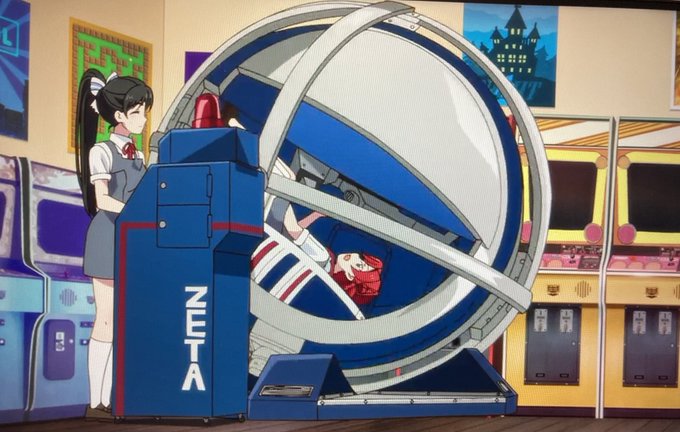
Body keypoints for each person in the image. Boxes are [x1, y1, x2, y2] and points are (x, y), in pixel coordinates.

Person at [74, 69, 153, 420]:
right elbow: (102, 200)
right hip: (108, 237)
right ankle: (96, 402)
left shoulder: (139, 155)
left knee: (125, 320)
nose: (143, 118)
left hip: (132, 237)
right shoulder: (101, 152)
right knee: (106, 319)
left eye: (144, 111)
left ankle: (115, 398)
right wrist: (139, 213)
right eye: (137, 112)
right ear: (119, 115)